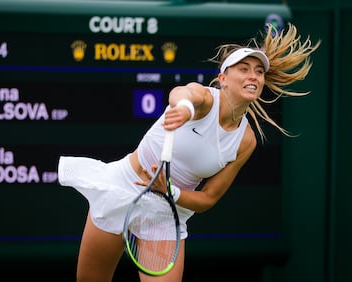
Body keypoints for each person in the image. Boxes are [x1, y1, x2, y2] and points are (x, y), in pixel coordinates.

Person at [58, 23, 320, 282]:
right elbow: (182, 93)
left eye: (259, 72)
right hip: (122, 187)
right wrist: (184, 108)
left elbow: (208, 198)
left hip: (166, 211)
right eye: (244, 69)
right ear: (223, 79)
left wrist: (169, 192)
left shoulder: (245, 141)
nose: (254, 76)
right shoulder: (205, 100)